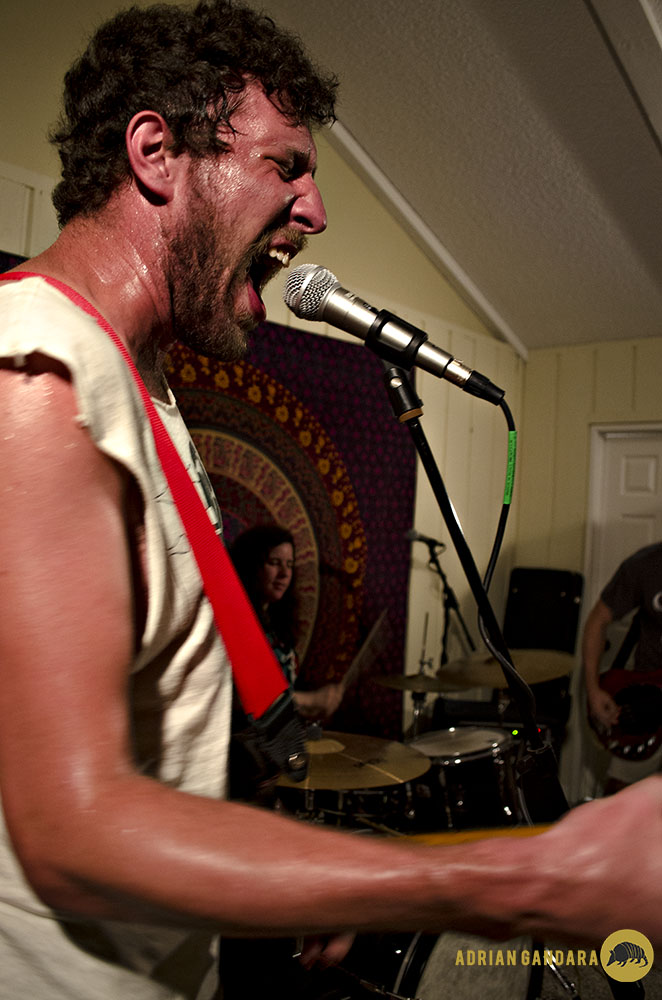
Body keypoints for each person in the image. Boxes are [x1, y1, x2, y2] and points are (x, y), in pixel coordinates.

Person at [0, 4, 662, 999]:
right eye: (286, 166)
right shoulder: (36, 372)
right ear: (156, 154)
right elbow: (73, 831)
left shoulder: (137, 385)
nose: (313, 212)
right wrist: (511, 878)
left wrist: (304, 872)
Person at [230, 523, 345, 721]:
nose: (284, 573)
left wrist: (310, 709)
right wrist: (312, 701)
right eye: (274, 562)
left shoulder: (277, 623)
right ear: (251, 566)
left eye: (290, 565)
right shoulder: (235, 624)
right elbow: (245, 700)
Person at [583, 541, 662, 792]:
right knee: (621, 793)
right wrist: (593, 690)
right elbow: (598, 621)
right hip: (649, 703)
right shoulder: (645, 564)